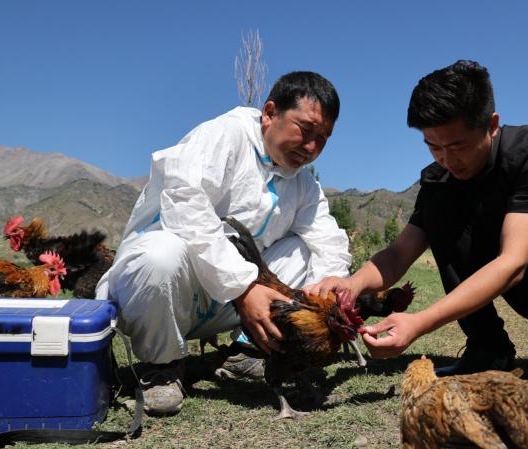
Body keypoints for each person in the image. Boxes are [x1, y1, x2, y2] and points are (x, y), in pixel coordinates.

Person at [307, 60, 528, 394]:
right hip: (520, 283)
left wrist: (419, 323)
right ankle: (488, 350)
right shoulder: (439, 179)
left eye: (458, 146)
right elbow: (398, 254)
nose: (447, 160)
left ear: (491, 125)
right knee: (438, 209)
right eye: (433, 147)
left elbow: (514, 262)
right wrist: (352, 285)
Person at [96, 71, 351, 415]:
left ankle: (248, 351)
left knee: (309, 252)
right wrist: (243, 287)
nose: (312, 147)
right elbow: (185, 203)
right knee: (158, 255)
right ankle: (162, 366)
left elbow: (326, 237)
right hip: (166, 296)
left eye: (323, 138)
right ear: (270, 112)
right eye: (306, 129)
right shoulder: (224, 136)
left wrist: (332, 284)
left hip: (231, 305)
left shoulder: (303, 183)